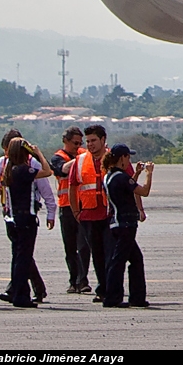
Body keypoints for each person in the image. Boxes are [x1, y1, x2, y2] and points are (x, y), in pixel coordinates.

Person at [0, 129, 56, 304]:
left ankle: (18, 292)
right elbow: (47, 171)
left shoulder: (9, 169)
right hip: (26, 218)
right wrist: (38, 153)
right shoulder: (23, 170)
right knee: (24, 257)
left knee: (18, 256)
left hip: (12, 217)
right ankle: (20, 295)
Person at [101, 144, 152, 308]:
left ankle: (137, 298)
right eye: (128, 157)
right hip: (126, 224)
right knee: (119, 261)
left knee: (135, 259)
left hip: (116, 222)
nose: (129, 160)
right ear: (122, 158)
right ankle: (113, 297)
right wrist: (149, 175)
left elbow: (128, 188)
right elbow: (143, 191)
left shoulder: (110, 176)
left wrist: (136, 173)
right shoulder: (121, 177)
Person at [69, 124, 113, 302]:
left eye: (93, 140)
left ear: (103, 140)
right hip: (88, 216)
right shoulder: (80, 161)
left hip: (109, 214)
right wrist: (75, 211)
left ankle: (111, 288)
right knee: (97, 255)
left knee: (111, 254)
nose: (90, 144)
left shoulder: (114, 158)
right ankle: (103, 289)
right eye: (88, 141)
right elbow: (72, 186)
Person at [49, 127, 91, 294]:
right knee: (70, 247)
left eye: (80, 143)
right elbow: (62, 170)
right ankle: (73, 280)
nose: (78, 146)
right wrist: (83, 158)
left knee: (84, 245)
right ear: (65, 141)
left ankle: (83, 280)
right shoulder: (58, 157)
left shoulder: (82, 154)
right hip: (66, 207)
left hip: (83, 206)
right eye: (75, 143)